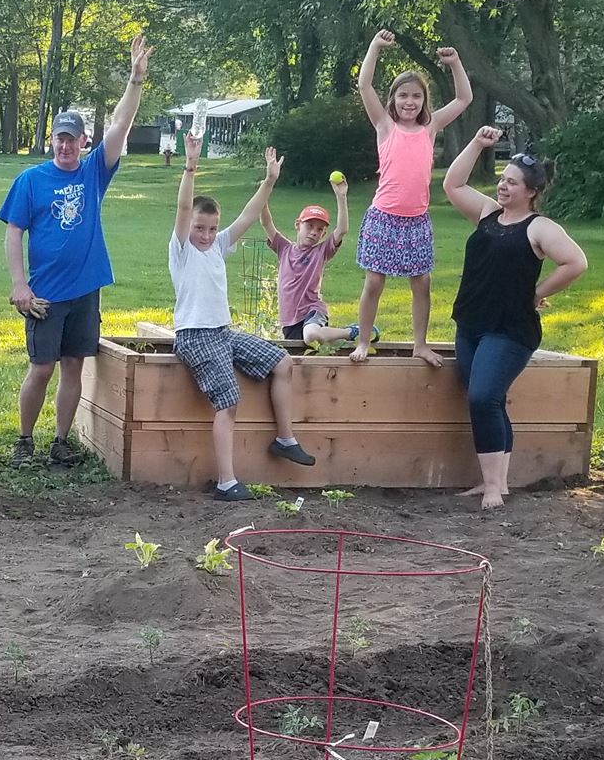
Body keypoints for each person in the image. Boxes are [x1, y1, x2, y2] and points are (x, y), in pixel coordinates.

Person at [0, 33, 149, 466]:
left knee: (72, 367)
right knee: (41, 369)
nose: (66, 146)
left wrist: (135, 81)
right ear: (52, 140)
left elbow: (119, 126)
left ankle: (60, 442)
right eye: (59, 139)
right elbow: (13, 234)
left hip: (85, 290)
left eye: (73, 139)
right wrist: (19, 284)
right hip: (44, 294)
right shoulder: (31, 180)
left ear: (84, 141)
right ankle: (24, 441)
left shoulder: (93, 173)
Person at [440, 126, 589, 511]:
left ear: (531, 192)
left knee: (483, 396)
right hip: (470, 323)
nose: (503, 187)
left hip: (510, 329)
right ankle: (497, 482)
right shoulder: (488, 214)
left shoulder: (538, 227)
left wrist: (538, 293)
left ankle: (491, 487)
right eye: (502, 180)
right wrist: (476, 143)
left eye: (512, 183)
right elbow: (453, 184)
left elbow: (576, 262)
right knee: (489, 401)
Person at [170, 136, 318, 499]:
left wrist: (269, 180)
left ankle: (285, 439)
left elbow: (249, 216)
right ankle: (226, 482)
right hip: (194, 336)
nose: (205, 235)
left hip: (222, 333)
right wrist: (190, 166)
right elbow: (184, 207)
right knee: (229, 400)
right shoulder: (182, 249)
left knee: (283, 361)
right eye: (199, 227)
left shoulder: (219, 245)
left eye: (210, 228)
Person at [347, 32, 473, 365]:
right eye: (403, 95)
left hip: (417, 220)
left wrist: (456, 63)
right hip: (384, 217)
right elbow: (364, 86)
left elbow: (463, 99)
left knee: (422, 283)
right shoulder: (384, 125)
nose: (409, 102)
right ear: (393, 99)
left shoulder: (430, 128)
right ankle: (362, 341)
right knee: (374, 281)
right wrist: (373, 46)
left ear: (423, 101)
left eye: (416, 96)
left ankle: (420, 344)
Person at [267, 168, 351, 345]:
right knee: (302, 354)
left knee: (311, 335)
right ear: (298, 225)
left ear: (324, 233)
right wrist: (266, 189)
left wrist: (341, 196)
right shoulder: (284, 248)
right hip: (289, 320)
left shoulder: (321, 251)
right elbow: (266, 222)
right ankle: (332, 338)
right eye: (310, 226)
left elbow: (342, 229)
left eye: (320, 229)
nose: (314, 232)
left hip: (312, 311)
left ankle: (350, 332)